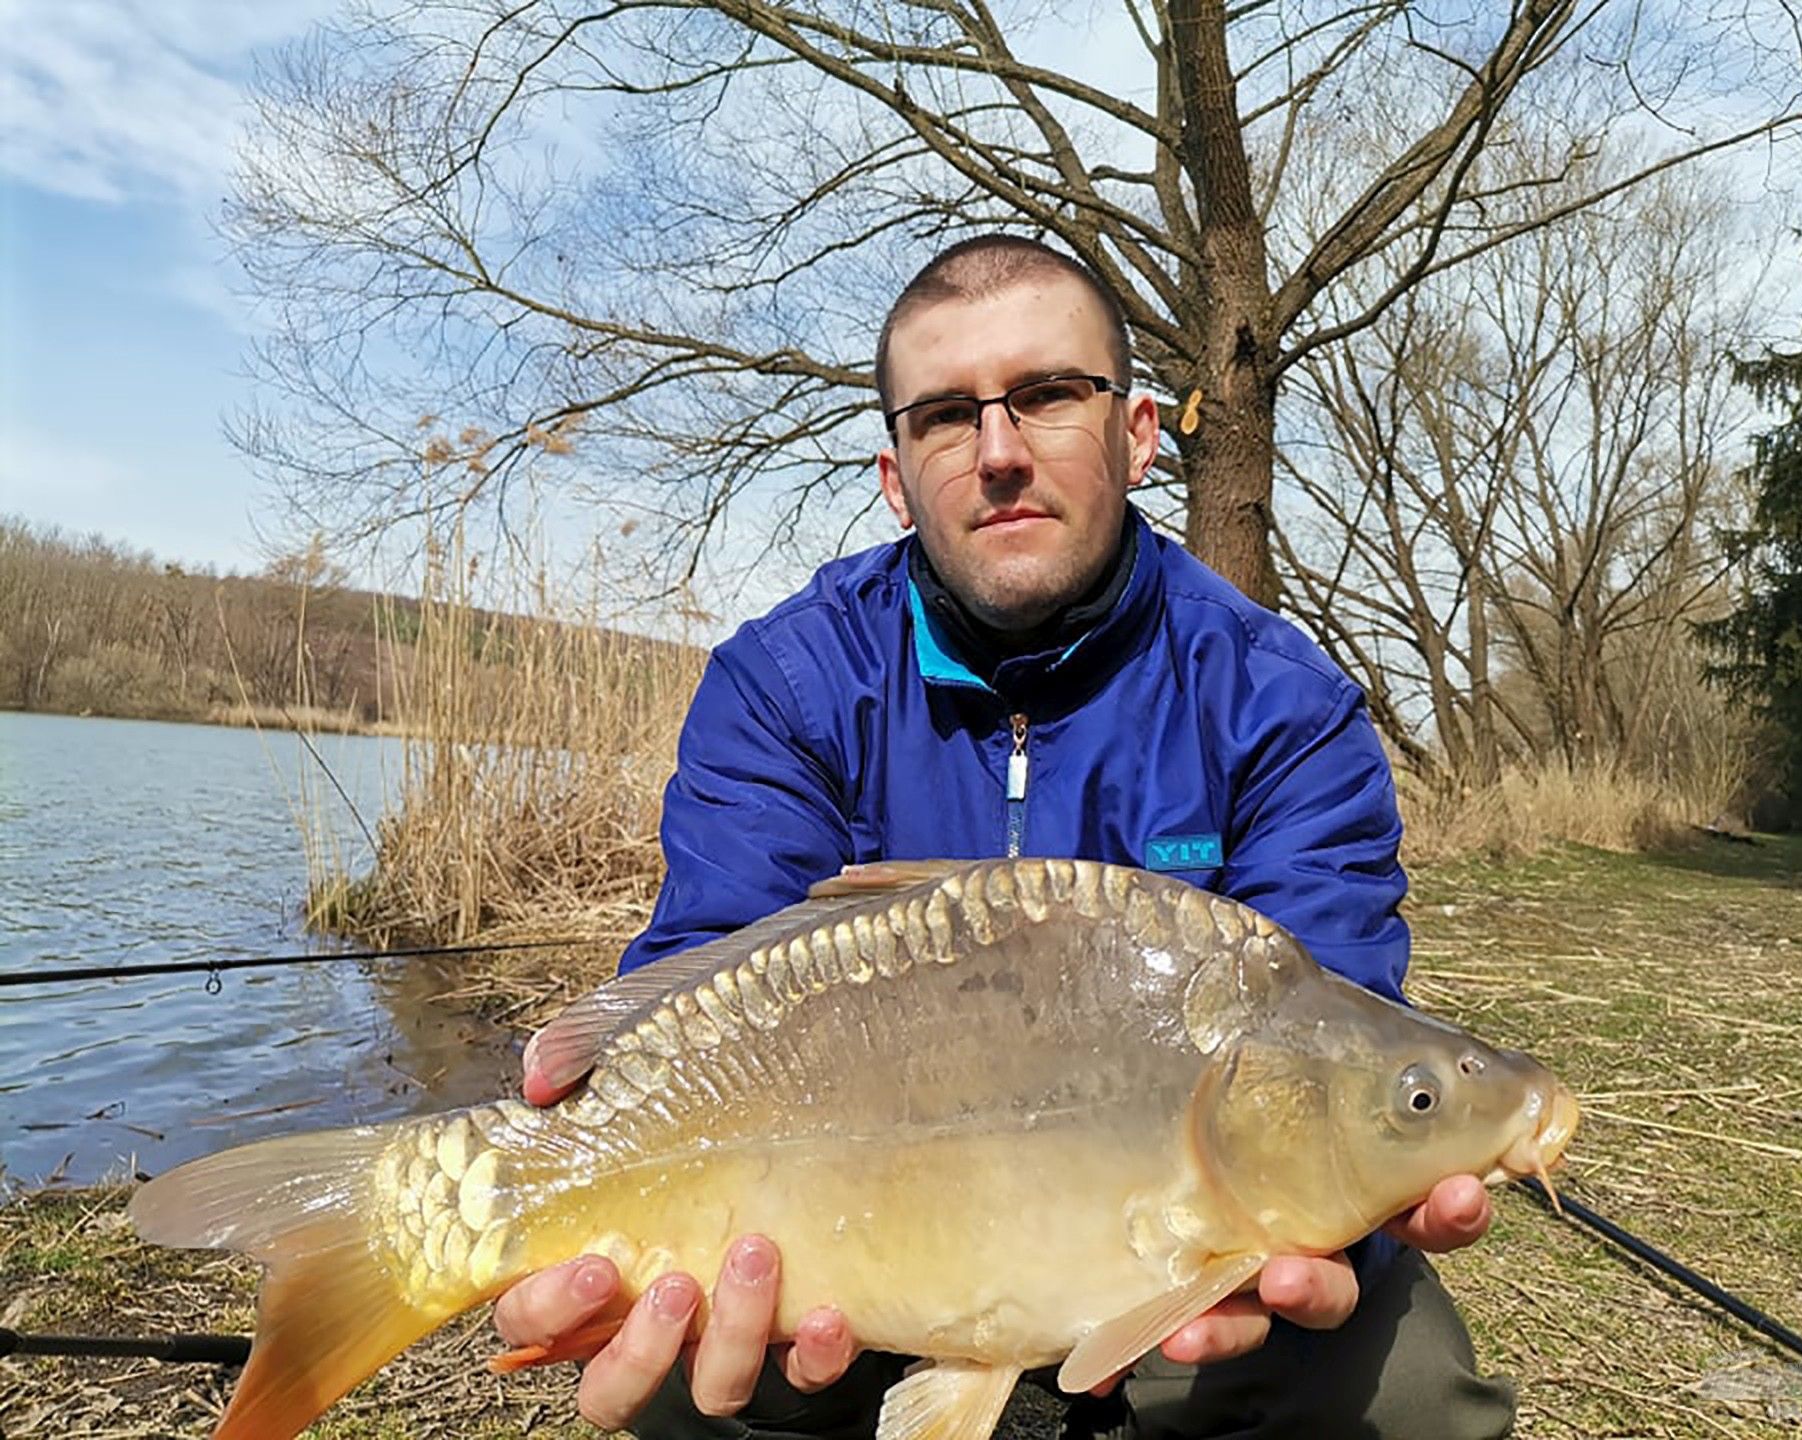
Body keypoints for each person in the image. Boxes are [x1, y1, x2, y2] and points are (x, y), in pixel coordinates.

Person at [493, 235, 1513, 1439]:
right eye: (943, 418)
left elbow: (1322, 1034)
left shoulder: (1277, 702)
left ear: (1137, 433)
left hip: (1178, 1265)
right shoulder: (787, 683)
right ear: (895, 475)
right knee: (692, 1363)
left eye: (1045, 396)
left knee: (1401, 1391)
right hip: (848, 1246)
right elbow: (703, 995)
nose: (998, 452)